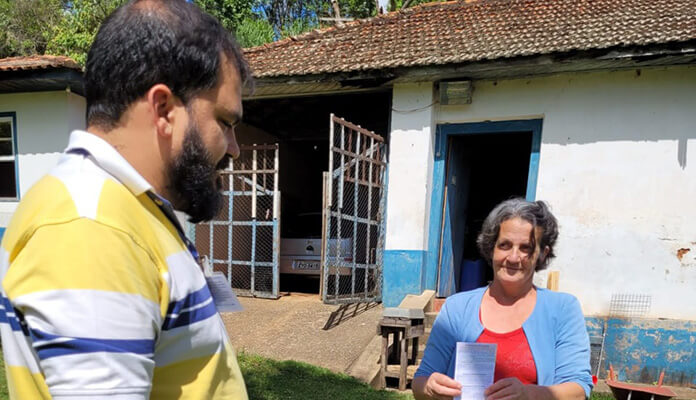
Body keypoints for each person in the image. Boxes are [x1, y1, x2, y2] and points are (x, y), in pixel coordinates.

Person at [0, 0, 251, 398]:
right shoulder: (91, 229)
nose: (234, 148)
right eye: (225, 121)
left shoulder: (126, 209)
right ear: (164, 109)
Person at [413, 199, 592, 400]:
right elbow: (421, 381)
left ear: (542, 254)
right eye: (505, 245)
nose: (514, 257)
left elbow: (578, 390)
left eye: (526, 248)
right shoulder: (457, 308)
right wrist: (430, 387)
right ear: (491, 248)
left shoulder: (562, 309)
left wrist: (529, 394)